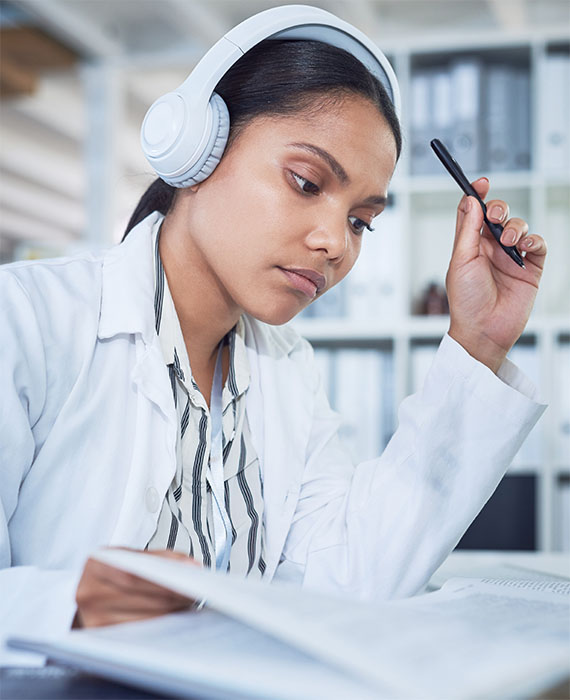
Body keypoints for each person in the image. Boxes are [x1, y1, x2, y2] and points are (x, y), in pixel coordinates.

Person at [1, 5, 546, 659]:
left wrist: (478, 343)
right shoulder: (26, 323)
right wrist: (64, 608)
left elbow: (353, 582)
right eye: (307, 181)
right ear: (197, 147)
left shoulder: (290, 373)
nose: (334, 244)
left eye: (361, 221)